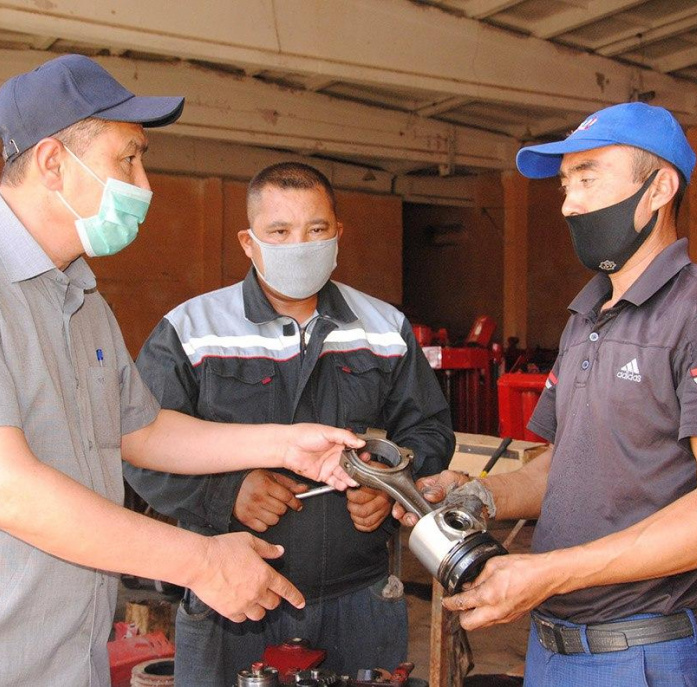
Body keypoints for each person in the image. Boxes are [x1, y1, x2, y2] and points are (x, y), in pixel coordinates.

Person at [0, 56, 364, 687]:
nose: (144, 183)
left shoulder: (80, 299)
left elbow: (140, 431)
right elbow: (4, 488)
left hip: (68, 656)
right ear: (53, 161)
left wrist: (289, 443)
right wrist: (201, 561)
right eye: (128, 159)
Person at [395, 103, 697, 685]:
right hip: (554, 649)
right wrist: (477, 496)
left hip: (643, 655)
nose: (570, 203)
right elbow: (561, 468)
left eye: (589, 177)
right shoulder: (586, 318)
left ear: (659, 188)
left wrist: (547, 573)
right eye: (566, 184)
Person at [124, 162, 455, 683]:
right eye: (279, 232)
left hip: (362, 598)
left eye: (316, 229)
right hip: (232, 600)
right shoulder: (189, 331)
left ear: (338, 234)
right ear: (248, 241)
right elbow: (138, 448)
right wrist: (225, 494)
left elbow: (430, 429)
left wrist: (390, 483)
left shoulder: (385, 328)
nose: (299, 245)